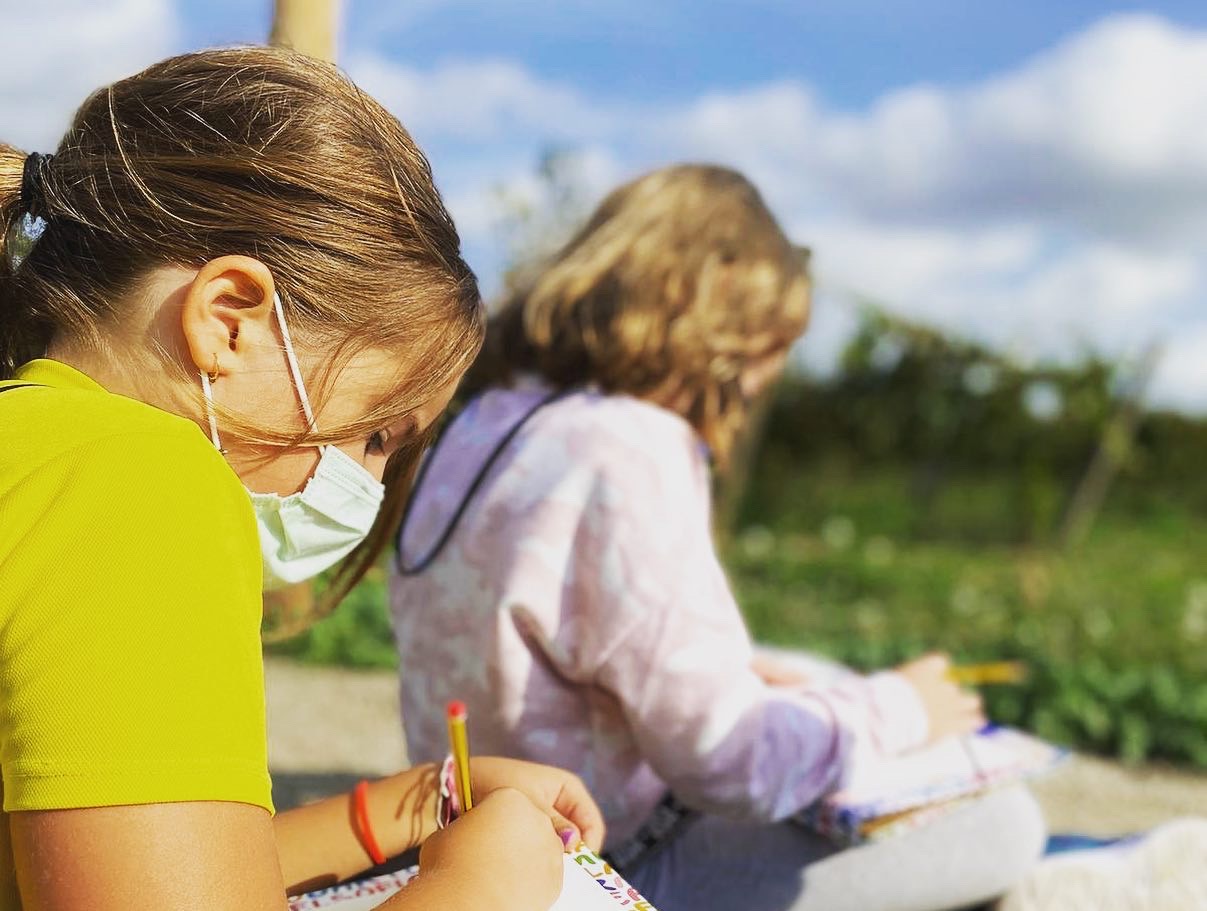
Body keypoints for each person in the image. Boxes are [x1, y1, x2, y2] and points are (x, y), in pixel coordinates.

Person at [0, 47, 603, 911]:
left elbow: (127, 859)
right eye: (375, 433)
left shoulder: (39, 444)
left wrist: (412, 803)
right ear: (230, 321)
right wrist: (487, 886)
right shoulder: (138, 482)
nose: (368, 481)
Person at [390, 164, 1047, 911]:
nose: (764, 381)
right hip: (610, 859)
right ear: (725, 334)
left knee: (806, 674)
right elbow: (729, 763)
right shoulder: (629, 448)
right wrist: (905, 707)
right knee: (1007, 824)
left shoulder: (487, 420)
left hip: (476, 822)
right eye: (770, 348)